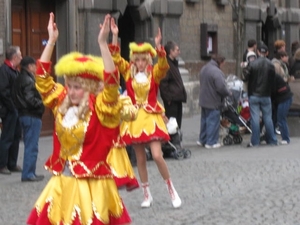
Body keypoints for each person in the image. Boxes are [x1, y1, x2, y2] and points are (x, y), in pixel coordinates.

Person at [27, 13, 137, 225]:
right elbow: (42, 80)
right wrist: (51, 41)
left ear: (88, 89)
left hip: (92, 186)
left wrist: (103, 44)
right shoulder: (61, 103)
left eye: (77, 87)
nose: (71, 91)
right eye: (69, 86)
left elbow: (112, 84)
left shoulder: (101, 109)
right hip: (63, 183)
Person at [109, 18, 182, 208]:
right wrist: (115, 35)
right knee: (140, 158)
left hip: (150, 116)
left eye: (143, 59)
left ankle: (171, 189)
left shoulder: (154, 72)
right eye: (137, 59)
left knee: (157, 155)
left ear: (148, 59)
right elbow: (115, 58)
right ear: (133, 59)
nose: (140, 63)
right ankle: (146, 193)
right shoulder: (128, 72)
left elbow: (165, 66)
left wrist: (159, 48)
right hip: (134, 118)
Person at [12, 56, 45, 182]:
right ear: (30, 66)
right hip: (31, 115)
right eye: (35, 65)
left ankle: (29, 172)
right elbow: (30, 99)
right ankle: (29, 173)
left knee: (29, 144)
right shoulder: (27, 80)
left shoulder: (19, 78)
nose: (36, 68)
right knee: (31, 145)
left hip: (24, 114)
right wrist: (41, 103)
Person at [242, 44, 277, 147]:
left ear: (257, 52)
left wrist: (245, 68)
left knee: (255, 118)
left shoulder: (252, 64)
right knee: (268, 118)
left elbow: (245, 77)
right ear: (267, 53)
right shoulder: (270, 65)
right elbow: (273, 80)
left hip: (254, 94)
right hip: (266, 94)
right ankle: (272, 140)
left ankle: (255, 141)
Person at [197, 54, 231, 149]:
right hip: (213, 100)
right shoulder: (216, 72)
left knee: (204, 121)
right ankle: (211, 142)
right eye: (223, 63)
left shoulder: (204, 68)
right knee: (213, 121)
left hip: (204, 99)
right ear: (220, 62)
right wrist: (228, 93)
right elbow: (221, 87)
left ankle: (202, 139)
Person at [0, 46, 23, 175]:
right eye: (19, 56)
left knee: (16, 136)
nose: (21, 58)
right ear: (14, 57)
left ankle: (12, 163)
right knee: (7, 137)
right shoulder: (4, 70)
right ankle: (2, 164)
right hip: (9, 109)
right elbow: (4, 92)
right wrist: (13, 107)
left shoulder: (15, 70)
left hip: (16, 108)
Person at [159, 41, 187, 129]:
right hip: (172, 100)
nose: (179, 52)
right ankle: (171, 140)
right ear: (171, 51)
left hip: (177, 98)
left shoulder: (174, 64)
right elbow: (163, 83)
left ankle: (176, 139)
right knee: (172, 123)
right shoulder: (167, 65)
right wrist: (168, 99)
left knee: (177, 122)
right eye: (177, 50)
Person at [272, 73, 293, 145]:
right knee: (276, 118)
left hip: (284, 98)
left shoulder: (272, 78)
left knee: (281, 118)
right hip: (283, 98)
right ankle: (272, 137)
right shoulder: (275, 76)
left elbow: (273, 91)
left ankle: (286, 138)